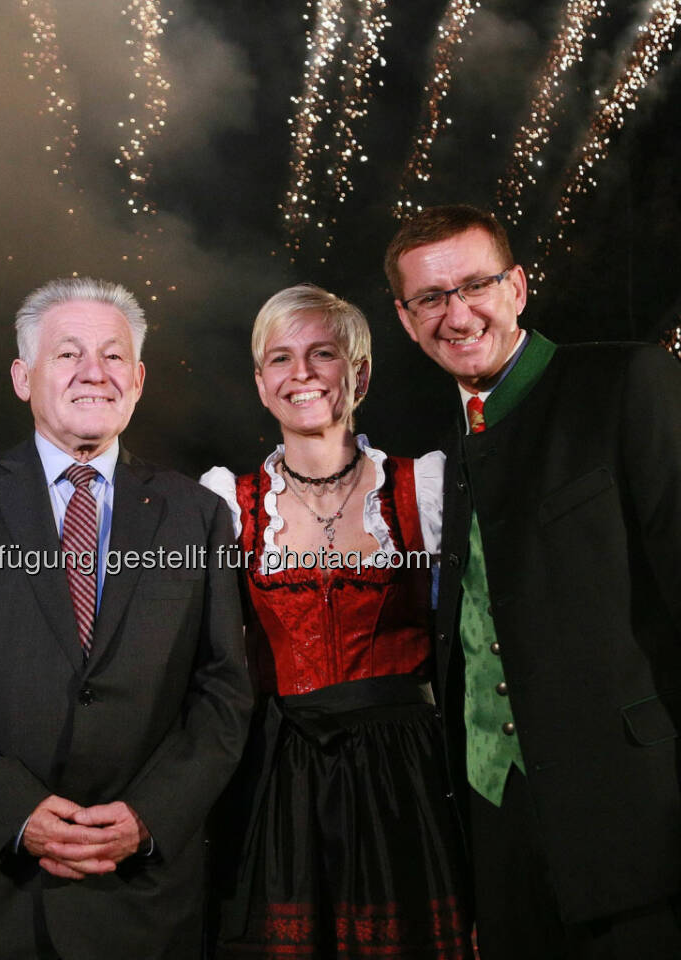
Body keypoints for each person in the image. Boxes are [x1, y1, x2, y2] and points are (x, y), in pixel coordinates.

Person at [385, 204, 681, 958]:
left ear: (518, 287)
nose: (457, 312)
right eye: (431, 298)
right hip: (505, 857)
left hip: (645, 841)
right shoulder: (452, 451)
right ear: (407, 320)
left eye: (475, 285)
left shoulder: (628, 382)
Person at [0, 277, 252, 959]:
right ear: (23, 378)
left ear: (138, 380)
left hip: (138, 897)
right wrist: (13, 810)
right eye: (68, 355)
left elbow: (225, 690)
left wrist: (150, 817)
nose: (94, 373)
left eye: (114, 357)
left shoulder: (198, 515)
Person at [199, 284, 474, 958]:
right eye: (280, 358)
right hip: (278, 776)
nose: (302, 374)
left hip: (405, 777)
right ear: (261, 382)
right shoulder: (225, 504)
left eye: (323, 354)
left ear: (360, 374)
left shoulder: (426, 488)